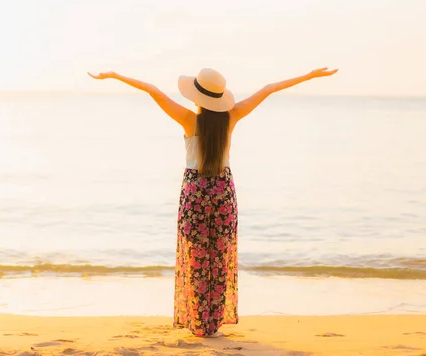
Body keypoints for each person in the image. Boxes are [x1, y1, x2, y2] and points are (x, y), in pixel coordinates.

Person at [88, 66, 338, 337]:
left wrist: (115, 76)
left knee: (195, 255)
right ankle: (214, 322)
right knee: (219, 256)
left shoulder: (187, 119)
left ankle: (198, 322)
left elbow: (151, 89)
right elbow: (269, 88)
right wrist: (310, 76)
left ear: (197, 97)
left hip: (195, 190)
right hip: (222, 190)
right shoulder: (231, 117)